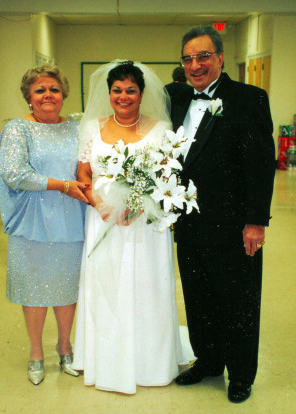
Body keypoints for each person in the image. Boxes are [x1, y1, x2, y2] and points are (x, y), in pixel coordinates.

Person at [171, 26, 275, 403]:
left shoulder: (249, 99)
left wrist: (255, 221)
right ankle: (209, 361)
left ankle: (241, 373)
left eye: (203, 57)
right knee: (198, 297)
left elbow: (262, 164)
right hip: (188, 222)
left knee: (240, 300)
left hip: (234, 226)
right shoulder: (176, 98)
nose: (195, 65)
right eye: (188, 59)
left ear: (220, 58)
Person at [72, 60, 190, 394]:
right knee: (106, 288)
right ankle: (106, 359)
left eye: (131, 91)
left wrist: (139, 204)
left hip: (144, 223)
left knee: (145, 286)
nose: (123, 97)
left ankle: (150, 362)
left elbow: (167, 175)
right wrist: (102, 205)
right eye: (117, 90)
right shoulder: (91, 128)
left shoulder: (159, 127)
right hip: (102, 219)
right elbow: (83, 175)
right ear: (109, 93)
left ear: (142, 94)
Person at [0, 64, 89, 385]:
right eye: (40, 90)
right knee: (34, 288)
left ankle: (65, 347)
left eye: (53, 89)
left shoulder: (77, 128)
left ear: (63, 94)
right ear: (29, 97)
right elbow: (14, 174)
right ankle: (36, 352)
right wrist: (62, 185)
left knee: (66, 287)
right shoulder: (17, 130)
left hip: (70, 220)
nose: (47, 95)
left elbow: (88, 167)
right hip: (32, 221)